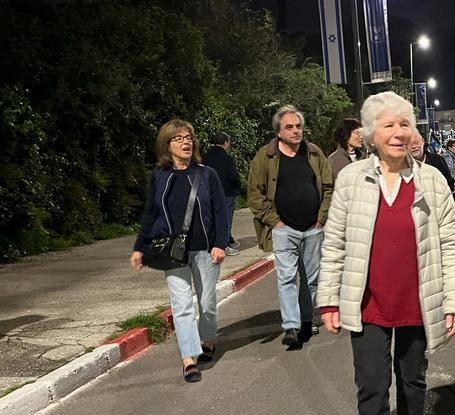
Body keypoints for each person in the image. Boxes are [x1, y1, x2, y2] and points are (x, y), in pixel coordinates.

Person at [317, 91, 455, 415]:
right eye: (389, 125)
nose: (399, 132)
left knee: (412, 379)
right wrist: (329, 299)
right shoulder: (351, 179)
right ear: (370, 134)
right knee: (371, 385)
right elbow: (334, 244)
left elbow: (452, 244)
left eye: (404, 124)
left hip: (418, 300)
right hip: (367, 303)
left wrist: (454, 300)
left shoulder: (431, 180)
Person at [131, 119, 229, 383]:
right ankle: (189, 359)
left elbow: (220, 211)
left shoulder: (207, 175)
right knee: (182, 305)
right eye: (179, 138)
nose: (186, 142)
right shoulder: (160, 176)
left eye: (189, 137)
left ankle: (208, 338)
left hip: (206, 251)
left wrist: (220, 243)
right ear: (167, 145)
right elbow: (151, 212)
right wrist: (140, 247)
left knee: (207, 302)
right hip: (173, 252)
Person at [248, 105, 333, 349]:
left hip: (313, 228)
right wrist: (275, 221)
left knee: (311, 279)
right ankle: (291, 326)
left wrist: (321, 217)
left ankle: (306, 320)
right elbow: (255, 195)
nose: (296, 131)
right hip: (284, 229)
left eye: (298, 126)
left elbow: (328, 187)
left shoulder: (314, 153)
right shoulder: (265, 157)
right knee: (286, 277)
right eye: (289, 127)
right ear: (278, 132)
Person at [409, 133, 455, 239]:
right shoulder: (402, 164)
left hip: (440, 202)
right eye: (409, 143)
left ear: (423, 142)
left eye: (416, 142)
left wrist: (449, 192)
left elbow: (448, 178)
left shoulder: (436, 160)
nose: (413, 146)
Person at [202, 132, 241, 256]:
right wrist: (237, 188)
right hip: (226, 193)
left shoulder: (205, 157)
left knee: (210, 219)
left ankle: (213, 242)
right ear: (225, 143)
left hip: (208, 193)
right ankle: (224, 245)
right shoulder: (227, 159)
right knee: (225, 219)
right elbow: (233, 176)